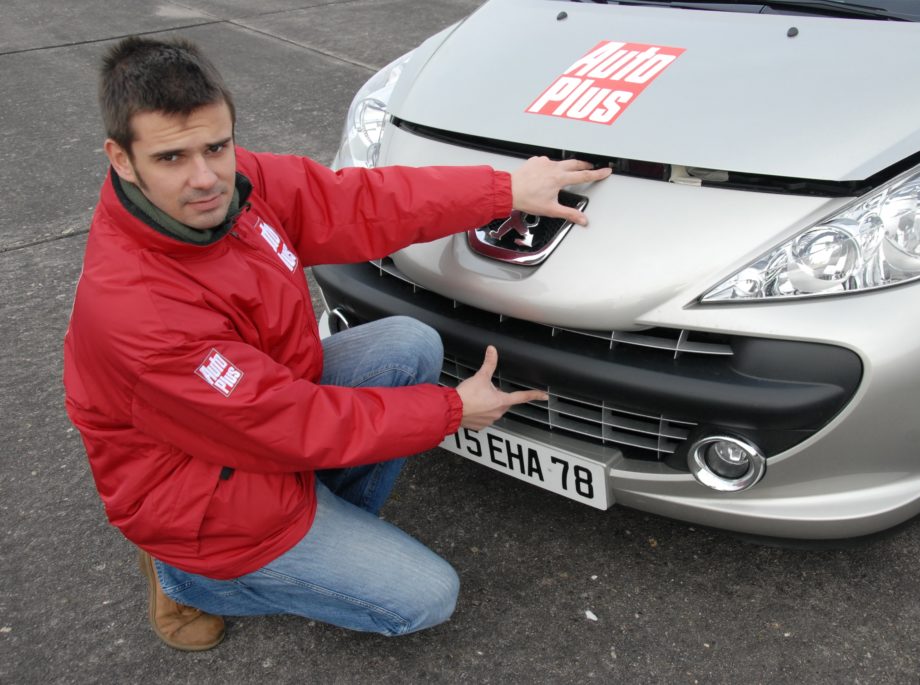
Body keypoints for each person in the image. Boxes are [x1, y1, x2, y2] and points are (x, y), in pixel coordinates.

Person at [62, 35, 610, 651]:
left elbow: (359, 203)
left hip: (253, 424)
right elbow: (285, 423)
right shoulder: (140, 314)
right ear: (121, 157)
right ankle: (189, 580)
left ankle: (320, 525)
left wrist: (500, 190)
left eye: (217, 146)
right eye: (171, 158)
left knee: (407, 344)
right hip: (208, 502)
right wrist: (452, 412)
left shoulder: (241, 187)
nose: (205, 178)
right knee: (425, 596)